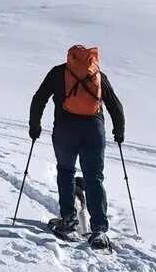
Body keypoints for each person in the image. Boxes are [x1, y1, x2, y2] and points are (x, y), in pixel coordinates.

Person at [29, 46, 125, 250]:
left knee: (66, 171)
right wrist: (119, 131)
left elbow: (39, 98)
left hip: (65, 129)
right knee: (94, 176)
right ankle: (99, 229)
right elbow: (115, 105)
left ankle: (69, 222)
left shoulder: (58, 72)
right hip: (94, 129)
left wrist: (34, 126)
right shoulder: (98, 75)